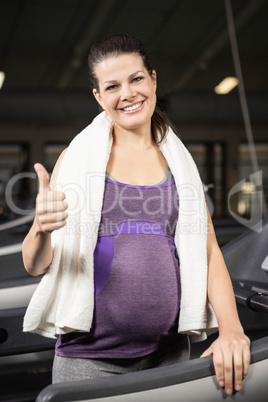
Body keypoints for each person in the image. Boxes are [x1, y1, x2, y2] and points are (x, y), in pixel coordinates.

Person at [22, 34, 250, 396]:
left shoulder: (179, 163)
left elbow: (207, 251)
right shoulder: (75, 159)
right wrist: (41, 229)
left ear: (153, 80)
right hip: (89, 360)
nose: (127, 94)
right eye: (112, 86)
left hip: (170, 355)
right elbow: (35, 266)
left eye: (136, 79)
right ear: (99, 97)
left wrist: (232, 329)